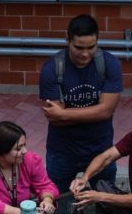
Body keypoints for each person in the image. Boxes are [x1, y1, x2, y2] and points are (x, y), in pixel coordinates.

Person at [39, 14, 124, 193]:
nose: (85, 54)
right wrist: (95, 112)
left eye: (91, 47)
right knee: (56, 201)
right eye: (78, 47)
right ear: (67, 40)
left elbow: (106, 111)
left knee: (108, 200)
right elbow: (54, 119)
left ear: (98, 41)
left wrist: (63, 113)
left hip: (101, 150)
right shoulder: (52, 69)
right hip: (62, 152)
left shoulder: (110, 64)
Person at [0, 121, 59, 214]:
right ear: (1, 151)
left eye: (24, 145)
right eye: (19, 148)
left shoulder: (30, 160)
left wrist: (47, 200)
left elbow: (45, 185)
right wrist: (26, 213)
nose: (25, 151)